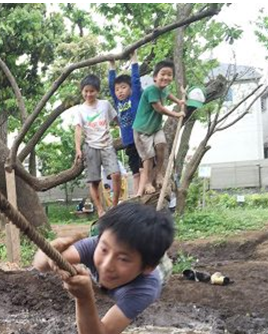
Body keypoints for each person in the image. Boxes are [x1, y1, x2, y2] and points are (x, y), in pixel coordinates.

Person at [32, 202, 175, 334]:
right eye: (104, 250)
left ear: (146, 267)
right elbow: (40, 265)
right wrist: (51, 250)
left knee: (159, 264)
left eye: (123, 259)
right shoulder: (98, 245)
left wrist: (84, 298)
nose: (107, 265)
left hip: (160, 271)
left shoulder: (145, 288)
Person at [132, 60, 185, 197]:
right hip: (142, 131)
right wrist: (177, 114)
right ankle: (148, 182)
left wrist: (179, 101)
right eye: (163, 74)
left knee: (162, 146)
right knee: (148, 158)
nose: (166, 77)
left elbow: (168, 94)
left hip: (155, 128)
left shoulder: (163, 89)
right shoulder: (151, 90)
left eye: (169, 75)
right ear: (155, 77)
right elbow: (159, 109)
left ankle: (159, 173)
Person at [74, 74, 120, 217]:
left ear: (97, 91)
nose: (88, 94)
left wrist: (126, 132)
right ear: (82, 91)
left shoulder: (105, 104)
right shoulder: (80, 110)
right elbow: (78, 129)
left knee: (116, 174)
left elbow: (117, 119)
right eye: (86, 91)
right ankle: (100, 209)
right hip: (90, 147)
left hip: (107, 144)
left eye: (92, 91)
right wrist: (78, 149)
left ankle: (115, 206)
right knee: (94, 181)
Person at [109, 51, 144, 194]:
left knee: (143, 168)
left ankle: (143, 191)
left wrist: (134, 58)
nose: (120, 91)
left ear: (130, 89)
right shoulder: (118, 102)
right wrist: (111, 65)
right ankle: (137, 194)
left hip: (140, 138)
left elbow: (135, 79)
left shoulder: (134, 97)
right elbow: (111, 85)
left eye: (123, 87)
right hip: (128, 141)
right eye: (118, 89)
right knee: (135, 170)